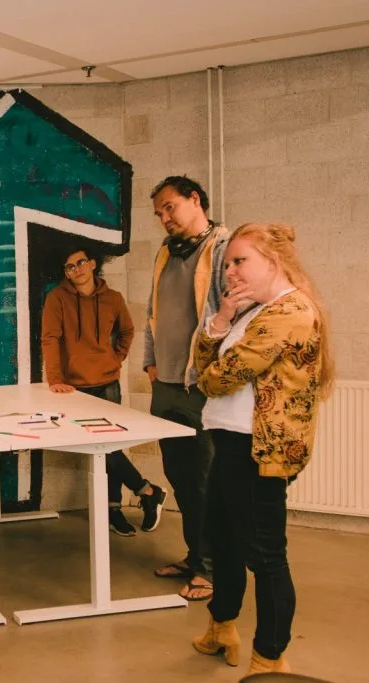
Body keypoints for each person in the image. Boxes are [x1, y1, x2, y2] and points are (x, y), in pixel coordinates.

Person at [190, 223, 332, 676]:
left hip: (259, 450)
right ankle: (222, 627)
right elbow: (201, 368)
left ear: (274, 261)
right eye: (227, 263)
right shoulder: (255, 310)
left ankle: (269, 658)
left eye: (240, 261)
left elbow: (214, 379)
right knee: (223, 541)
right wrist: (219, 321)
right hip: (231, 442)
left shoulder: (289, 311)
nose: (230, 271)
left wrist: (212, 357)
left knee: (266, 557)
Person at [41, 243, 167, 536]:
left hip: (108, 384)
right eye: (70, 267)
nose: (77, 270)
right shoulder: (57, 299)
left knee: (112, 448)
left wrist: (115, 358)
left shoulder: (112, 298)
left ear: (93, 264)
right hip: (73, 390)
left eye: (81, 263)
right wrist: (55, 379)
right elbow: (50, 339)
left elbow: (127, 331)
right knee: (102, 449)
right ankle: (147, 491)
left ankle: (114, 509)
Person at [146, 176, 228, 601]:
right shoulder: (166, 252)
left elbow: (235, 313)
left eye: (169, 207)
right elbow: (153, 311)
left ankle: (211, 568)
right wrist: (150, 362)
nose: (163, 218)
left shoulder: (224, 248)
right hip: (167, 384)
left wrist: (212, 373)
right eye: (159, 212)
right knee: (179, 477)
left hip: (202, 387)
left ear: (194, 200)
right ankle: (196, 556)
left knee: (206, 481)